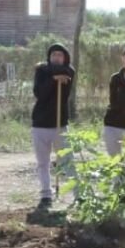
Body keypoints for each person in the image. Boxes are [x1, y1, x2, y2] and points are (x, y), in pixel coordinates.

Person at [31, 42, 76, 209]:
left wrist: (53, 75)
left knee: (67, 160)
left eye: (60, 55)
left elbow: (67, 73)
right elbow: (39, 93)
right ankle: (45, 195)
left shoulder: (69, 72)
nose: (56, 58)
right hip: (40, 124)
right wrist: (53, 79)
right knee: (43, 162)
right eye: (53, 55)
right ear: (49, 57)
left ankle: (79, 194)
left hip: (59, 125)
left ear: (65, 58)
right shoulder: (41, 71)